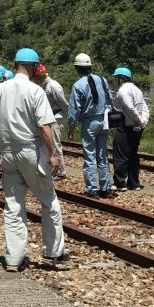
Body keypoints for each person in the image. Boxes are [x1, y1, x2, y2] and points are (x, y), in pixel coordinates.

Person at [0, 48, 68, 272]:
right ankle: (54, 250)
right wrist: (53, 153)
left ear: (16, 65)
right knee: (48, 200)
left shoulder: (0, 90)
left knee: (13, 204)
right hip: (30, 150)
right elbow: (44, 126)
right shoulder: (35, 90)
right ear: (32, 67)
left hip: (7, 152)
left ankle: (14, 258)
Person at [67, 52, 114, 198]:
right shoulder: (102, 80)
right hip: (103, 121)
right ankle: (106, 188)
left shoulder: (78, 85)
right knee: (102, 155)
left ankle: (91, 189)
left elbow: (74, 109)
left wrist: (71, 127)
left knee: (90, 156)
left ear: (77, 68)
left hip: (89, 123)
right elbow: (110, 99)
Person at [111, 67, 150, 192]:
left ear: (121, 78)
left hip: (126, 125)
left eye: (116, 77)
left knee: (120, 154)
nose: (114, 80)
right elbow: (144, 107)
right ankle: (134, 183)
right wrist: (144, 120)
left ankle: (120, 183)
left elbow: (129, 108)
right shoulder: (137, 90)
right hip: (137, 127)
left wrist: (139, 120)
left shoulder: (123, 90)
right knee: (133, 154)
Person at [34, 63, 68, 179]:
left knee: (55, 144)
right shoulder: (45, 86)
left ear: (40, 76)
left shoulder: (53, 86)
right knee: (51, 143)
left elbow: (63, 103)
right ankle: (54, 169)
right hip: (51, 117)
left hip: (56, 118)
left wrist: (66, 117)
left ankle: (61, 172)